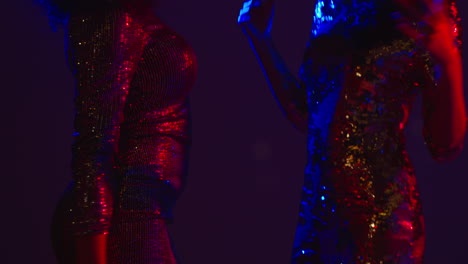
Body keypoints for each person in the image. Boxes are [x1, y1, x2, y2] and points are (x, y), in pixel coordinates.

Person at [238, 0, 466, 263]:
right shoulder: (328, 5)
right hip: (317, 215)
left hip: (379, 218)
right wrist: (259, 37)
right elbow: (309, 115)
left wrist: (448, 60)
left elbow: (446, 145)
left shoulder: (424, 6)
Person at [35, 0, 197, 263]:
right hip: (122, 218)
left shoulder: (129, 15)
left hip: (142, 214)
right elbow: (92, 153)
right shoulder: (110, 19)